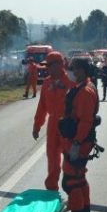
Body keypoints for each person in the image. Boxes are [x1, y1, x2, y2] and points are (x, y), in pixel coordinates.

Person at [57, 56, 100, 212]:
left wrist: (76, 143)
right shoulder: (82, 88)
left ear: (82, 70)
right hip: (79, 141)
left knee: (70, 180)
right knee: (79, 178)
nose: (71, 72)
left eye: (74, 68)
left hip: (79, 142)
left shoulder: (85, 92)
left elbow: (85, 121)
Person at [32, 51, 71, 191]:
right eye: (46, 65)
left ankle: (71, 186)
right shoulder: (47, 82)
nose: (47, 68)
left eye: (50, 65)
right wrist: (37, 125)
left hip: (68, 124)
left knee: (70, 158)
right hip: (53, 123)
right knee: (52, 157)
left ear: (60, 65)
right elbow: (42, 105)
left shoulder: (70, 81)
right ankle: (51, 188)